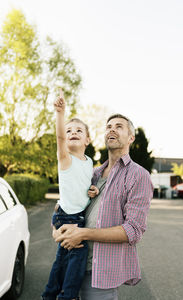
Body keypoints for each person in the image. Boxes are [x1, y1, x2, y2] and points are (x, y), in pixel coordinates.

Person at [54, 113, 154, 300]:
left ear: (131, 138)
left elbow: (133, 230)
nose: (112, 129)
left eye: (119, 126)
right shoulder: (92, 173)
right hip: (72, 263)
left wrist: (83, 234)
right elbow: (66, 206)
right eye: (108, 127)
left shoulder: (138, 175)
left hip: (99, 272)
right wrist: (56, 230)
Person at [42, 89, 98, 300]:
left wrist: (93, 189)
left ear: (88, 139)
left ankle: (49, 294)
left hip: (78, 215)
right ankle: (69, 296)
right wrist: (60, 114)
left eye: (78, 130)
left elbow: (85, 184)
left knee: (63, 260)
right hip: (67, 216)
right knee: (78, 255)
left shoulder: (90, 161)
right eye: (69, 131)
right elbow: (59, 137)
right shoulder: (65, 158)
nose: (72, 132)